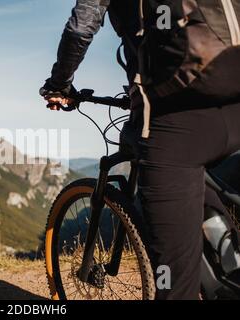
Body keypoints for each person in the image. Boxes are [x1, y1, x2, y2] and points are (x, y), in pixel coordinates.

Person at [40, 0, 240, 300]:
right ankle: (223, 246)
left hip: (176, 119)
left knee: (173, 286)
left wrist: (59, 85)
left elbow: (81, 28)